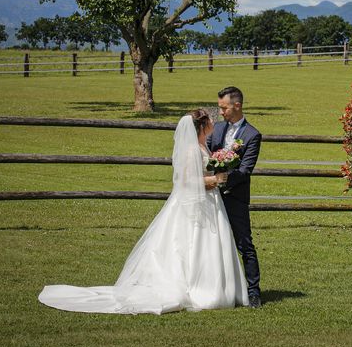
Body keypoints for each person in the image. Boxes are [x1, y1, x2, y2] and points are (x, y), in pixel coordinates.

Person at [38, 109, 249, 314]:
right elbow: (186, 181)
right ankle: (199, 289)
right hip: (194, 203)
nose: (214, 122)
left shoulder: (202, 145)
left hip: (208, 201)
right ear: (203, 125)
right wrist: (214, 179)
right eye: (211, 120)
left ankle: (214, 286)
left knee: (206, 245)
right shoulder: (192, 149)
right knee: (189, 243)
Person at [207, 86, 262, 308]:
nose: (221, 112)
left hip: (235, 197)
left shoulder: (252, 135)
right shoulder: (218, 128)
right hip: (210, 196)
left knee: (244, 243)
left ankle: (254, 291)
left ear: (237, 105)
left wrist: (222, 179)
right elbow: (207, 153)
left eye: (224, 108)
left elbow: (245, 170)